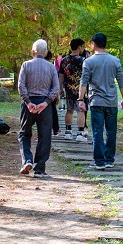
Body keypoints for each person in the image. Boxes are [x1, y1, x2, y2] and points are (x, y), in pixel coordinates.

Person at [77, 33, 123, 170]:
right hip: (111, 101)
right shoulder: (115, 60)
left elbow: (84, 82)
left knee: (98, 131)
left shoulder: (89, 61)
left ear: (93, 44)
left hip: (96, 101)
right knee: (111, 131)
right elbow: (121, 82)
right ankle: (109, 159)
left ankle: (99, 161)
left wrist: (81, 99)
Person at [17, 38, 60, 178]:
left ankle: (27, 160)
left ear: (32, 51)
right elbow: (56, 88)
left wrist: (28, 102)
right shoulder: (51, 67)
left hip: (28, 104)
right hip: (44, 106)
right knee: (45, 135)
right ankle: (40, 169)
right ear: (46, 52)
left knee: (24, 133)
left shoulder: (26, 65)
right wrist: (46, 102)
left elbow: (21, 86)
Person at [58, 38, 88, 142]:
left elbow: (61, 75)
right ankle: (80, 133)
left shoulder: (64, 60)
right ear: (79, 47)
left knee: (69, 110)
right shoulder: (83, 60)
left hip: (68, 88)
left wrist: (60, 88)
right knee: (81, 110)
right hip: (81, 90)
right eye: (82, 46)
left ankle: (68, 132)